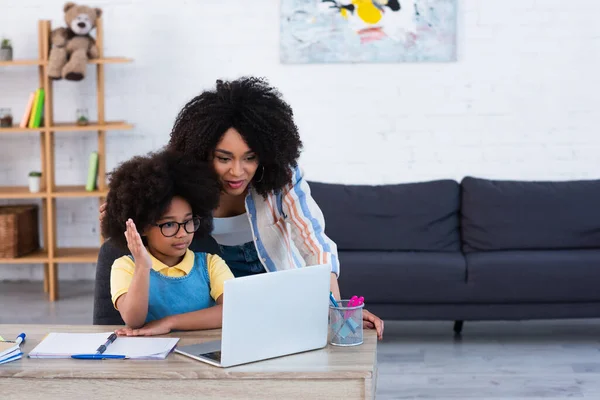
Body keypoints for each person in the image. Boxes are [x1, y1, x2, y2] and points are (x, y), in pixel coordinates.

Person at [101, 77, 384, 339]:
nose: (237, 171)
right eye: (224, 158)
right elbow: (142, 211)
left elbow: (314, 243)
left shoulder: (281, 177)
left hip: (277, 289)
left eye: (250, 158)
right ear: (202, 153)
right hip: (215, 301)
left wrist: (334, 310)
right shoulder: (182, 182)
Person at [101, 149, 234, 336]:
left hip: (201, 354)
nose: (182, 233)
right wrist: (142, 267)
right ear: (144, 227)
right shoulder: (125, 267)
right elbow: (133, 320)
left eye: (188, 221)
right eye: (169, 224)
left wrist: (170, 322)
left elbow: (232, 310)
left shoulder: (211, 264)